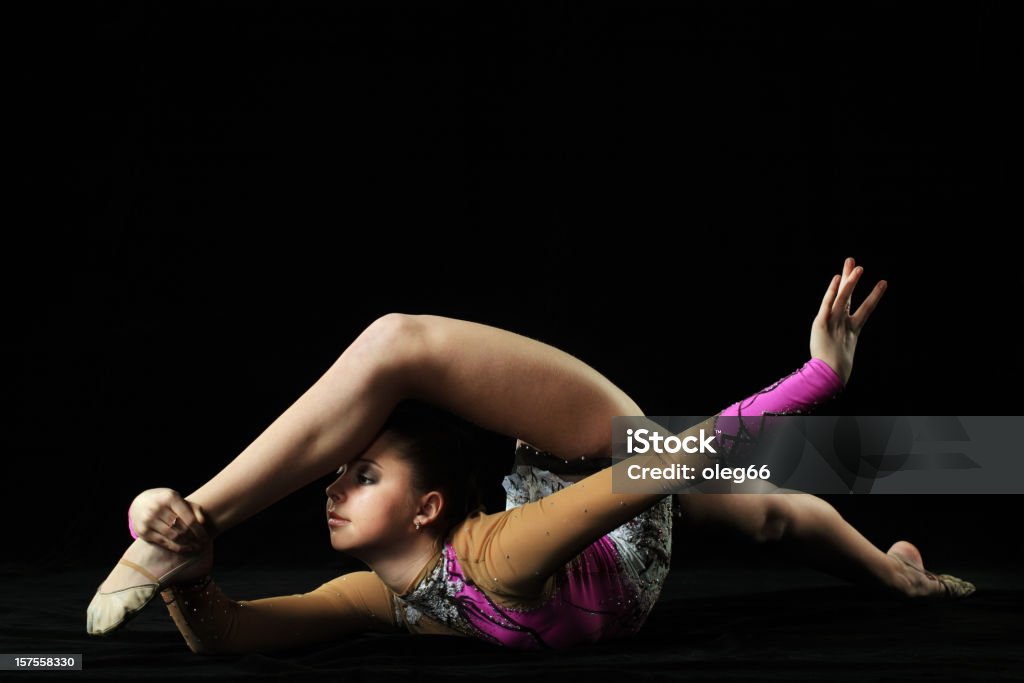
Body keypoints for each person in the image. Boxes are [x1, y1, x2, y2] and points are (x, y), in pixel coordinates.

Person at [86, 257, 974, 652]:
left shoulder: (478, 561)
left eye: (362, 472)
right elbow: (232, 632)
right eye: (347, 472)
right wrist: (190, 577)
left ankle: (904, 577)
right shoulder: (405, 596)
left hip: (600, 453)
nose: (333, 482)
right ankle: (907, 579)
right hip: (622, 515)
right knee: (770, 511)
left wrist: (815, 381)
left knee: (397, 344)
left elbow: (665, 465)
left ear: (431, 507)